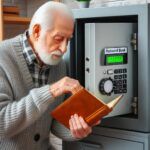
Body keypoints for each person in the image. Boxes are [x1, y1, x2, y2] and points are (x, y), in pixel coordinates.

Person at [0, 1, 100, 150]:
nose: (64, 48)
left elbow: (54, 123)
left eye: (68, 40)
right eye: (59, 39)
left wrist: (77, 129)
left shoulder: (58, 64)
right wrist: (52, 91)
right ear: (37, 31)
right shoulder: (3, 57)